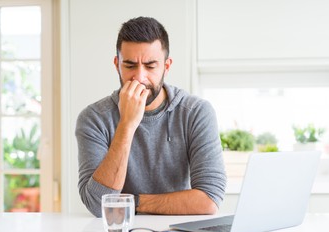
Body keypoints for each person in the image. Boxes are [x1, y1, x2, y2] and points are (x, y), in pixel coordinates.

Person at [75, 17, 226, 218]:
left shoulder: (196, 112)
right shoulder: (93, 119)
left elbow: (209, 199)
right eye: (129, 65)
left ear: (167, 66)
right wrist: (127, 125)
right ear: (117, 64)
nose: (140, 77)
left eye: (150, 66)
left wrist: (132, 202)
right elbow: (97, 205)